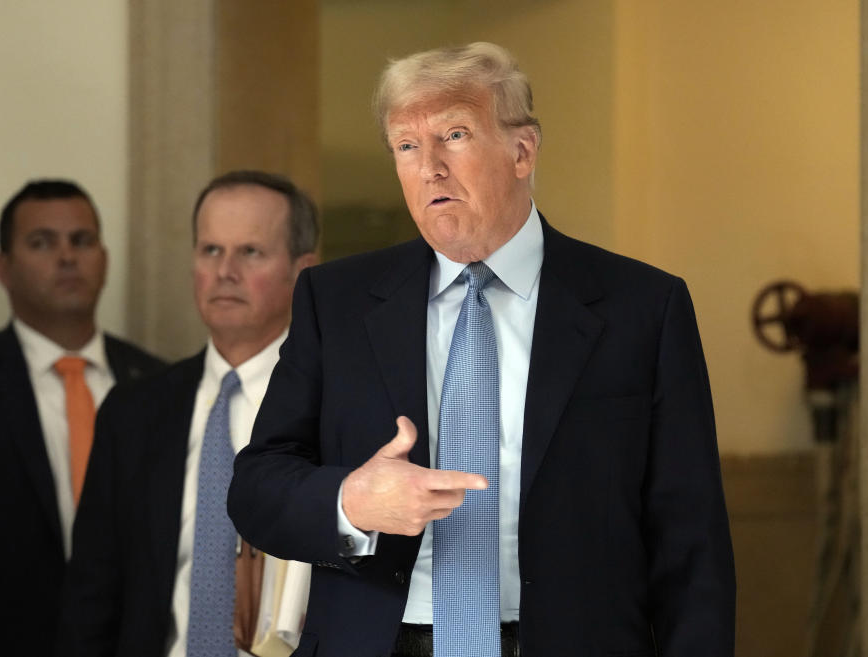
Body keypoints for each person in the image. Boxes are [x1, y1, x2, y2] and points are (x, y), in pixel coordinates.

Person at [228, 42, 735, 657]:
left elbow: (692, 541)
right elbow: (256, 489)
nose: (429, 167)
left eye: (455, 135)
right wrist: (352, 501)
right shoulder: (335, 301)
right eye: (407, 146)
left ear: (522, 151)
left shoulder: (642, 308)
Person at [58, 170, 319, 656]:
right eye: (211, 251)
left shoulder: (337, 404)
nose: (225, 271)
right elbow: (93, 592)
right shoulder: (134, 411)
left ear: (302, 271)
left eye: (251, 252)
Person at [0, 180, 164, 657]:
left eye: (81, 241)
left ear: (104, 259)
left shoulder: (159, 384)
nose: (67, 257)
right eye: (42, 243)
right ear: (3, 267)